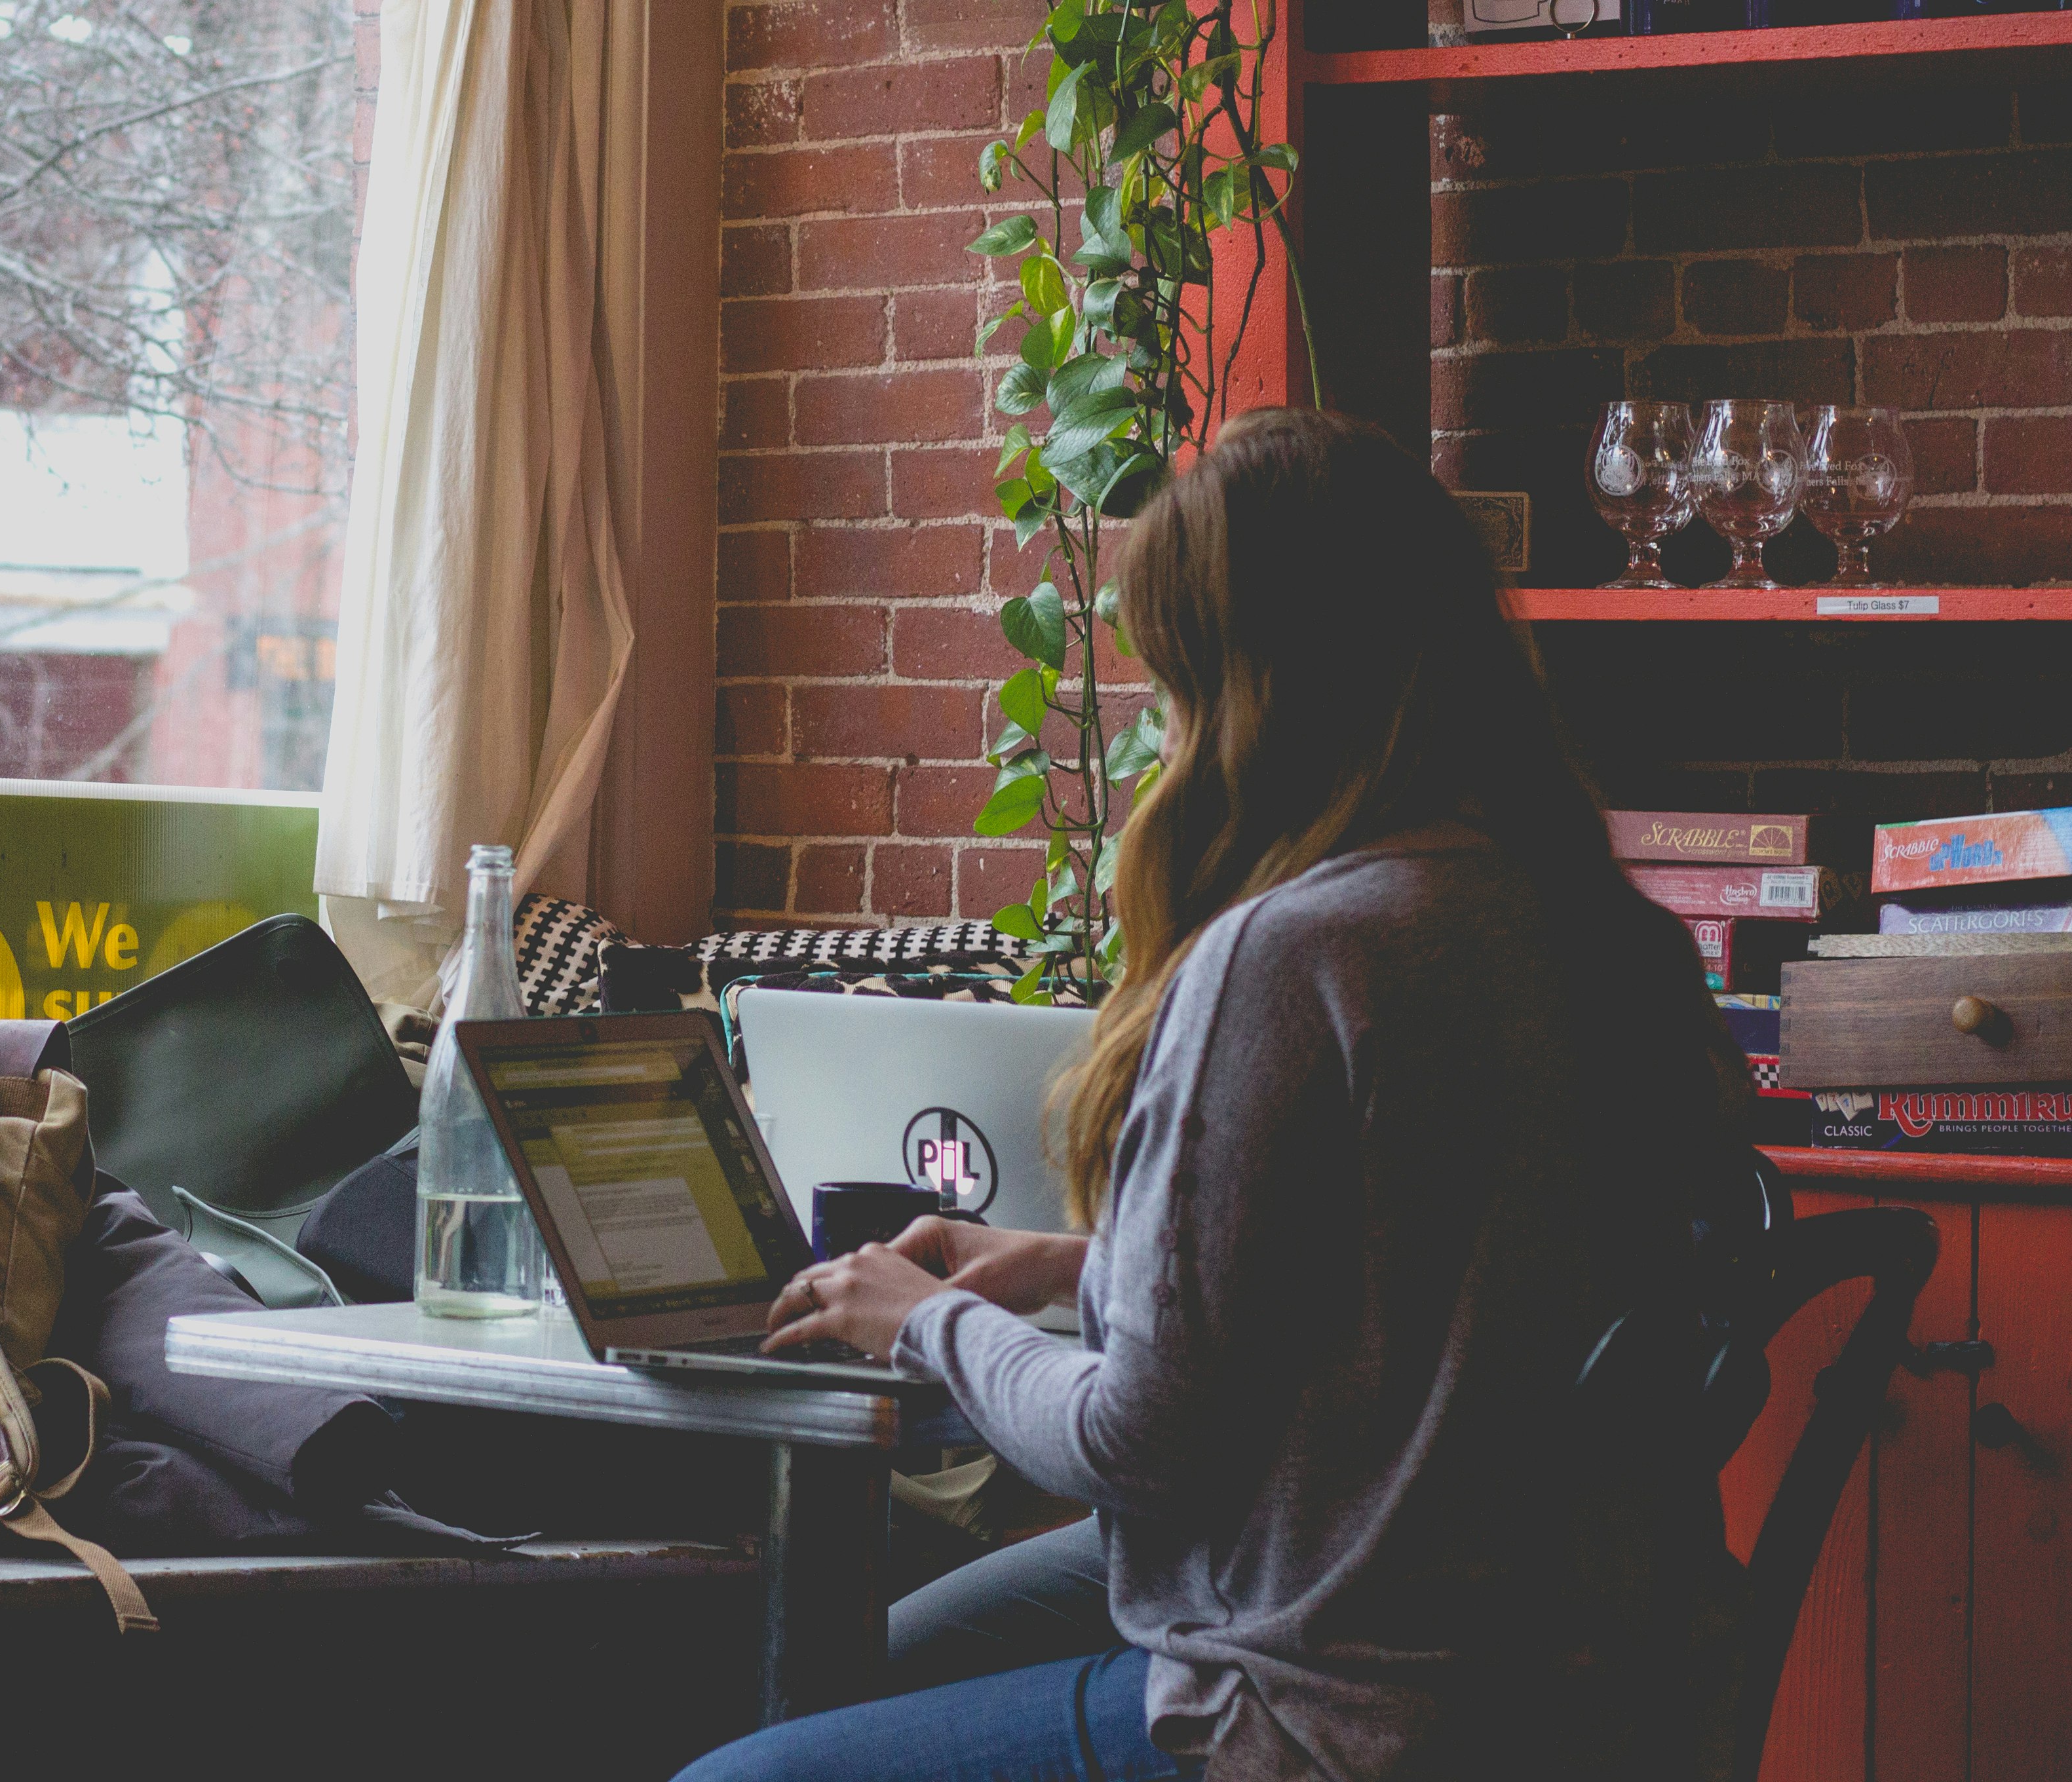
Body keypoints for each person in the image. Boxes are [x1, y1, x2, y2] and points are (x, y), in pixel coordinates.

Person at [680, 411, 1755, 1782]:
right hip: (1584, 1670)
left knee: (736, 1772)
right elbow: (1435, 1283)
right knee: (853, 1670)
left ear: (1247, 686)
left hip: (1342, 1700)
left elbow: (1133, 1442)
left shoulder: (1300, 952)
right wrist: (1068, 1267)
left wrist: (927, 1322)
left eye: (1173, 673)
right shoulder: (1597, 930)